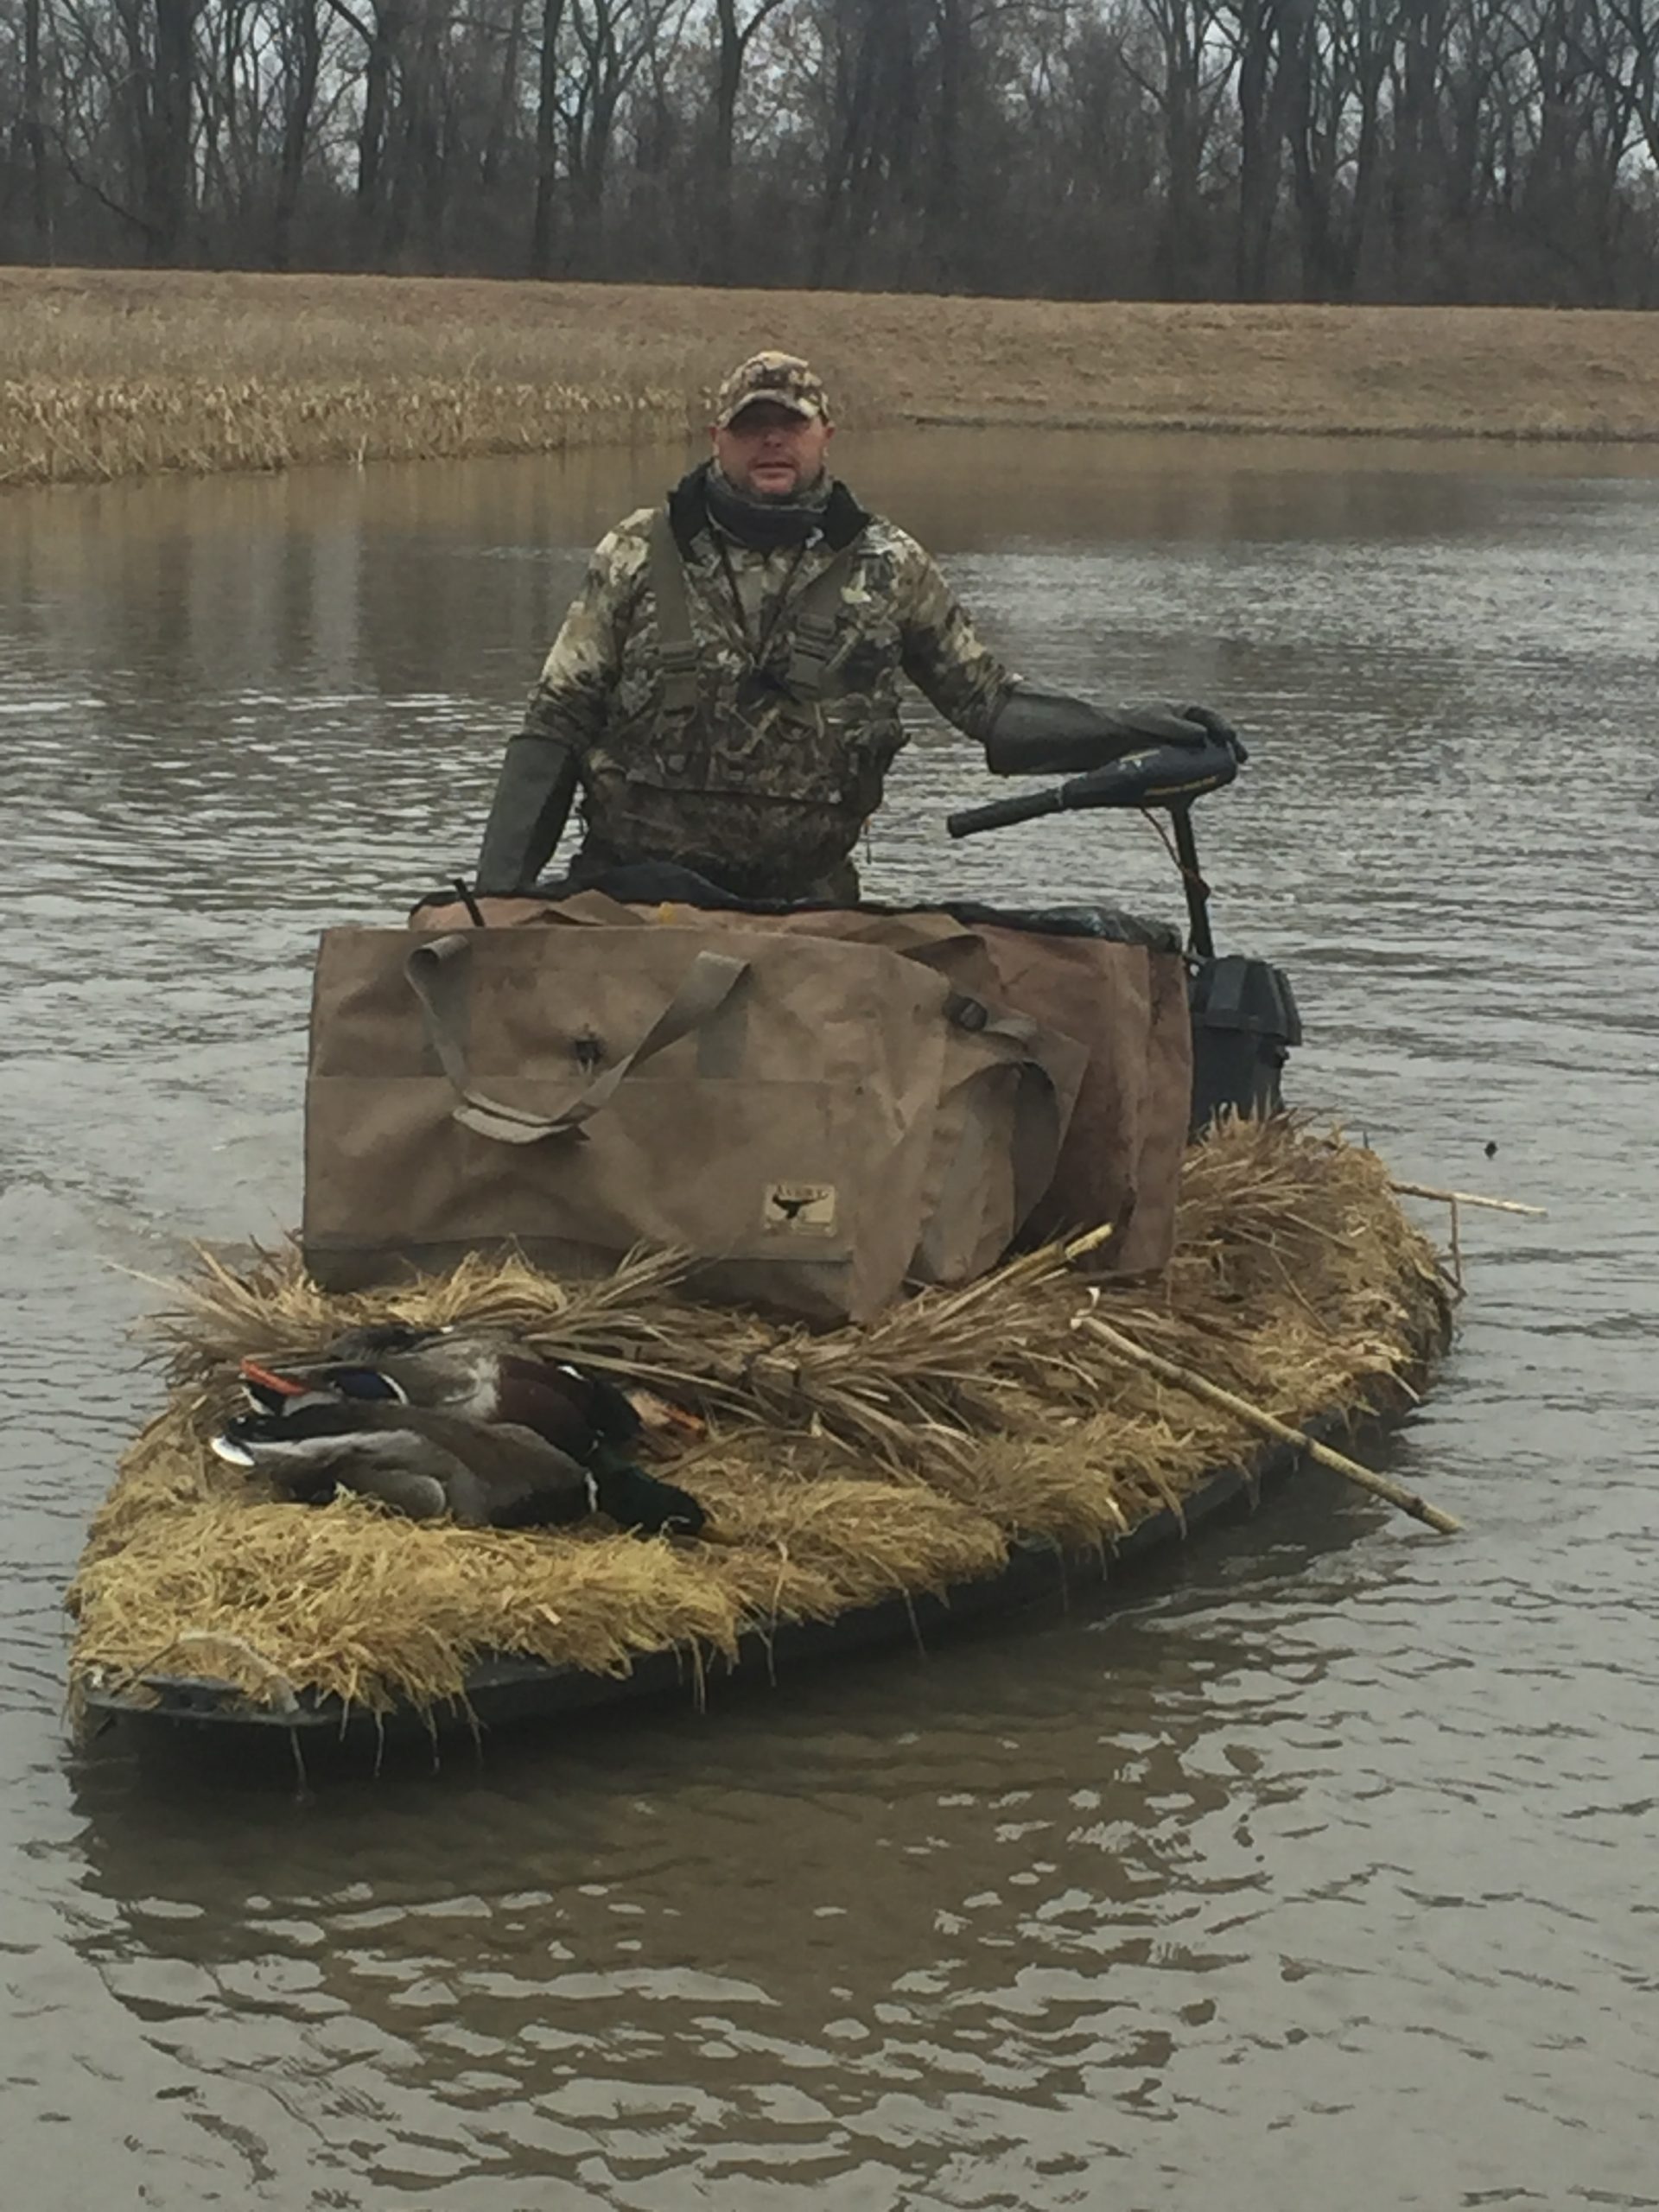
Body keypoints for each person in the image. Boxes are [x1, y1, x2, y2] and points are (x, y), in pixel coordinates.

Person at [474, 350, 1231, 904]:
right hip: (630, 896)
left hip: (811, 907)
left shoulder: (890, 563)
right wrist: (497, 900)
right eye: (752, 425)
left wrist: (1139, 729)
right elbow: (555, 724)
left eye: (790, 425)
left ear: (824, 436)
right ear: (717, 438)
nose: (772, 440)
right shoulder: (638, 550)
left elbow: (993, 711)